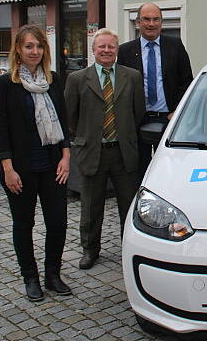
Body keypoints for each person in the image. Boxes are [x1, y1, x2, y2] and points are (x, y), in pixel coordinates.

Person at [0, 25, 72, 301]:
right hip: (20, 168)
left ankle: (53, 275)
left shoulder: (53, 79)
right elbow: (1, 128)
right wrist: (8, 168)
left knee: (58, 223)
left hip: (53, 165)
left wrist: (66, 157)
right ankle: (30, 277)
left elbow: (63, 120)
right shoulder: (7, 84)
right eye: (29, 46)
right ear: (18, 49)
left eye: (39, 46)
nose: (34, 51)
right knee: (24, 224)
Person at [65, 28, 145, 270]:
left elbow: (138, 112)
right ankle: (90, 250)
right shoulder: (78, 79)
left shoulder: (132, 76)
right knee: (91, 206)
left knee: (128, 205)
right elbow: (70, 116)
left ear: (117, 49)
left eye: (111, 46)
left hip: (123, 152)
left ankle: (129, 249)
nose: (107, 50)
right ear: (94, 50)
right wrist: (85, 139)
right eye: (102, 46)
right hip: (92, 152)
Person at [117, 3, 193, 181]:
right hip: (138, 120)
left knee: (169, 169)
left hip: (168, 119)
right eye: (146, 19)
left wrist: (176, 112)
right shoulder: (126, 51)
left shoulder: (175, 45)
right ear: (138, 22)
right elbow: (121, 87)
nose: (151, 24)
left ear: (161, 22)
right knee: (139, 171)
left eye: (155, 19)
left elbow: (187, 81)